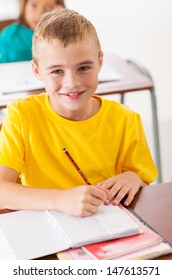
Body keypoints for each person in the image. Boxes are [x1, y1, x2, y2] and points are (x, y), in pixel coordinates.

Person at [0, 9, 158, 217]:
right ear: (37, 71)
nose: (72, 83)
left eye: (83, 68)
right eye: (57, 71)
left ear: (100, 62)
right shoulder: (22, 115)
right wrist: (61, 200)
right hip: (45, 228)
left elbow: (142, 178)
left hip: (105, 229)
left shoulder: (126, 120)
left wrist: (133, 179)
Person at [0, 0, 65, 63]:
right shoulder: (10, 35)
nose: (39, 14)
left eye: (48, 9)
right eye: (34, 5)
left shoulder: (57, 35)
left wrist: (59, 25)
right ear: (24, 4)